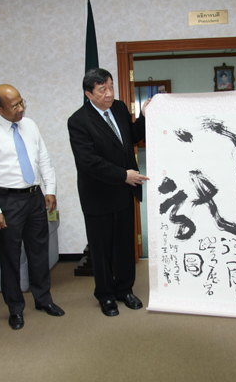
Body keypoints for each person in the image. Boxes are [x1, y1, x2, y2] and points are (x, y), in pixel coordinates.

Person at [0, 84, 63, 330]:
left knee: (39, 252)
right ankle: (15, 308)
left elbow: (43, 158)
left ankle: (43, 299)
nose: (20, 108)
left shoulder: (30, 125)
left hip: (34, 197)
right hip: (8, 201)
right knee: (10, 258)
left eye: (21, 102)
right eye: (14, 106)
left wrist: (50, 189)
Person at [68, 68, 149, 317]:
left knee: (125, 246)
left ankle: (125, 290)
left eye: (111, 87)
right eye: (102, 90)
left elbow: (131, 136)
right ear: (88, 94)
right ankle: (105, 296)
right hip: (98, 196)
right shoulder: (78, 121)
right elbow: (89, 162)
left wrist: (144, 117)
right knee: (101, 250)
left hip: (123, 193)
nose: (109, 94)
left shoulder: (120, 108)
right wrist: (124, 175)